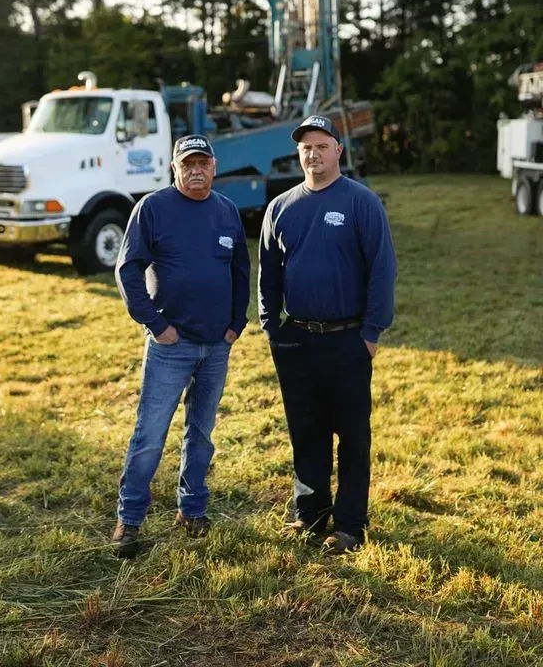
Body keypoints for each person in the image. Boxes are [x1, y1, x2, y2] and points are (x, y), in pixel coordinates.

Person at [258, 115, 396, 554]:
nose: (313, 154)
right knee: (306, 430)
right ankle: (310, 514)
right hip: (297, 339)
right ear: (298, 154)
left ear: (338, 150)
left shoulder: (361, 202)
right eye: (305, 147)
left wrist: (371, 332)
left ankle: (350, 524)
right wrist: (271, 327)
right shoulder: (281, 207)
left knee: (353, 435)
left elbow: (382, 268)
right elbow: (269, 273)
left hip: (348, 338)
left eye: (321, 145)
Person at [112, 134, 251, 557]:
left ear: (214, 166)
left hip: (216, 345)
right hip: (171, 345)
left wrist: (235, 324)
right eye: (187, 163)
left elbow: (242, 270)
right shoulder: (152, 209)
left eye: (202, 163)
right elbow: (127, 271)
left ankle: (191, 510)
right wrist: (155, 324)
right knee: (150, 435)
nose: (195, 170)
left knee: (201, 434)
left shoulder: (226, 210)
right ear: (174, 168)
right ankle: (129, 519)